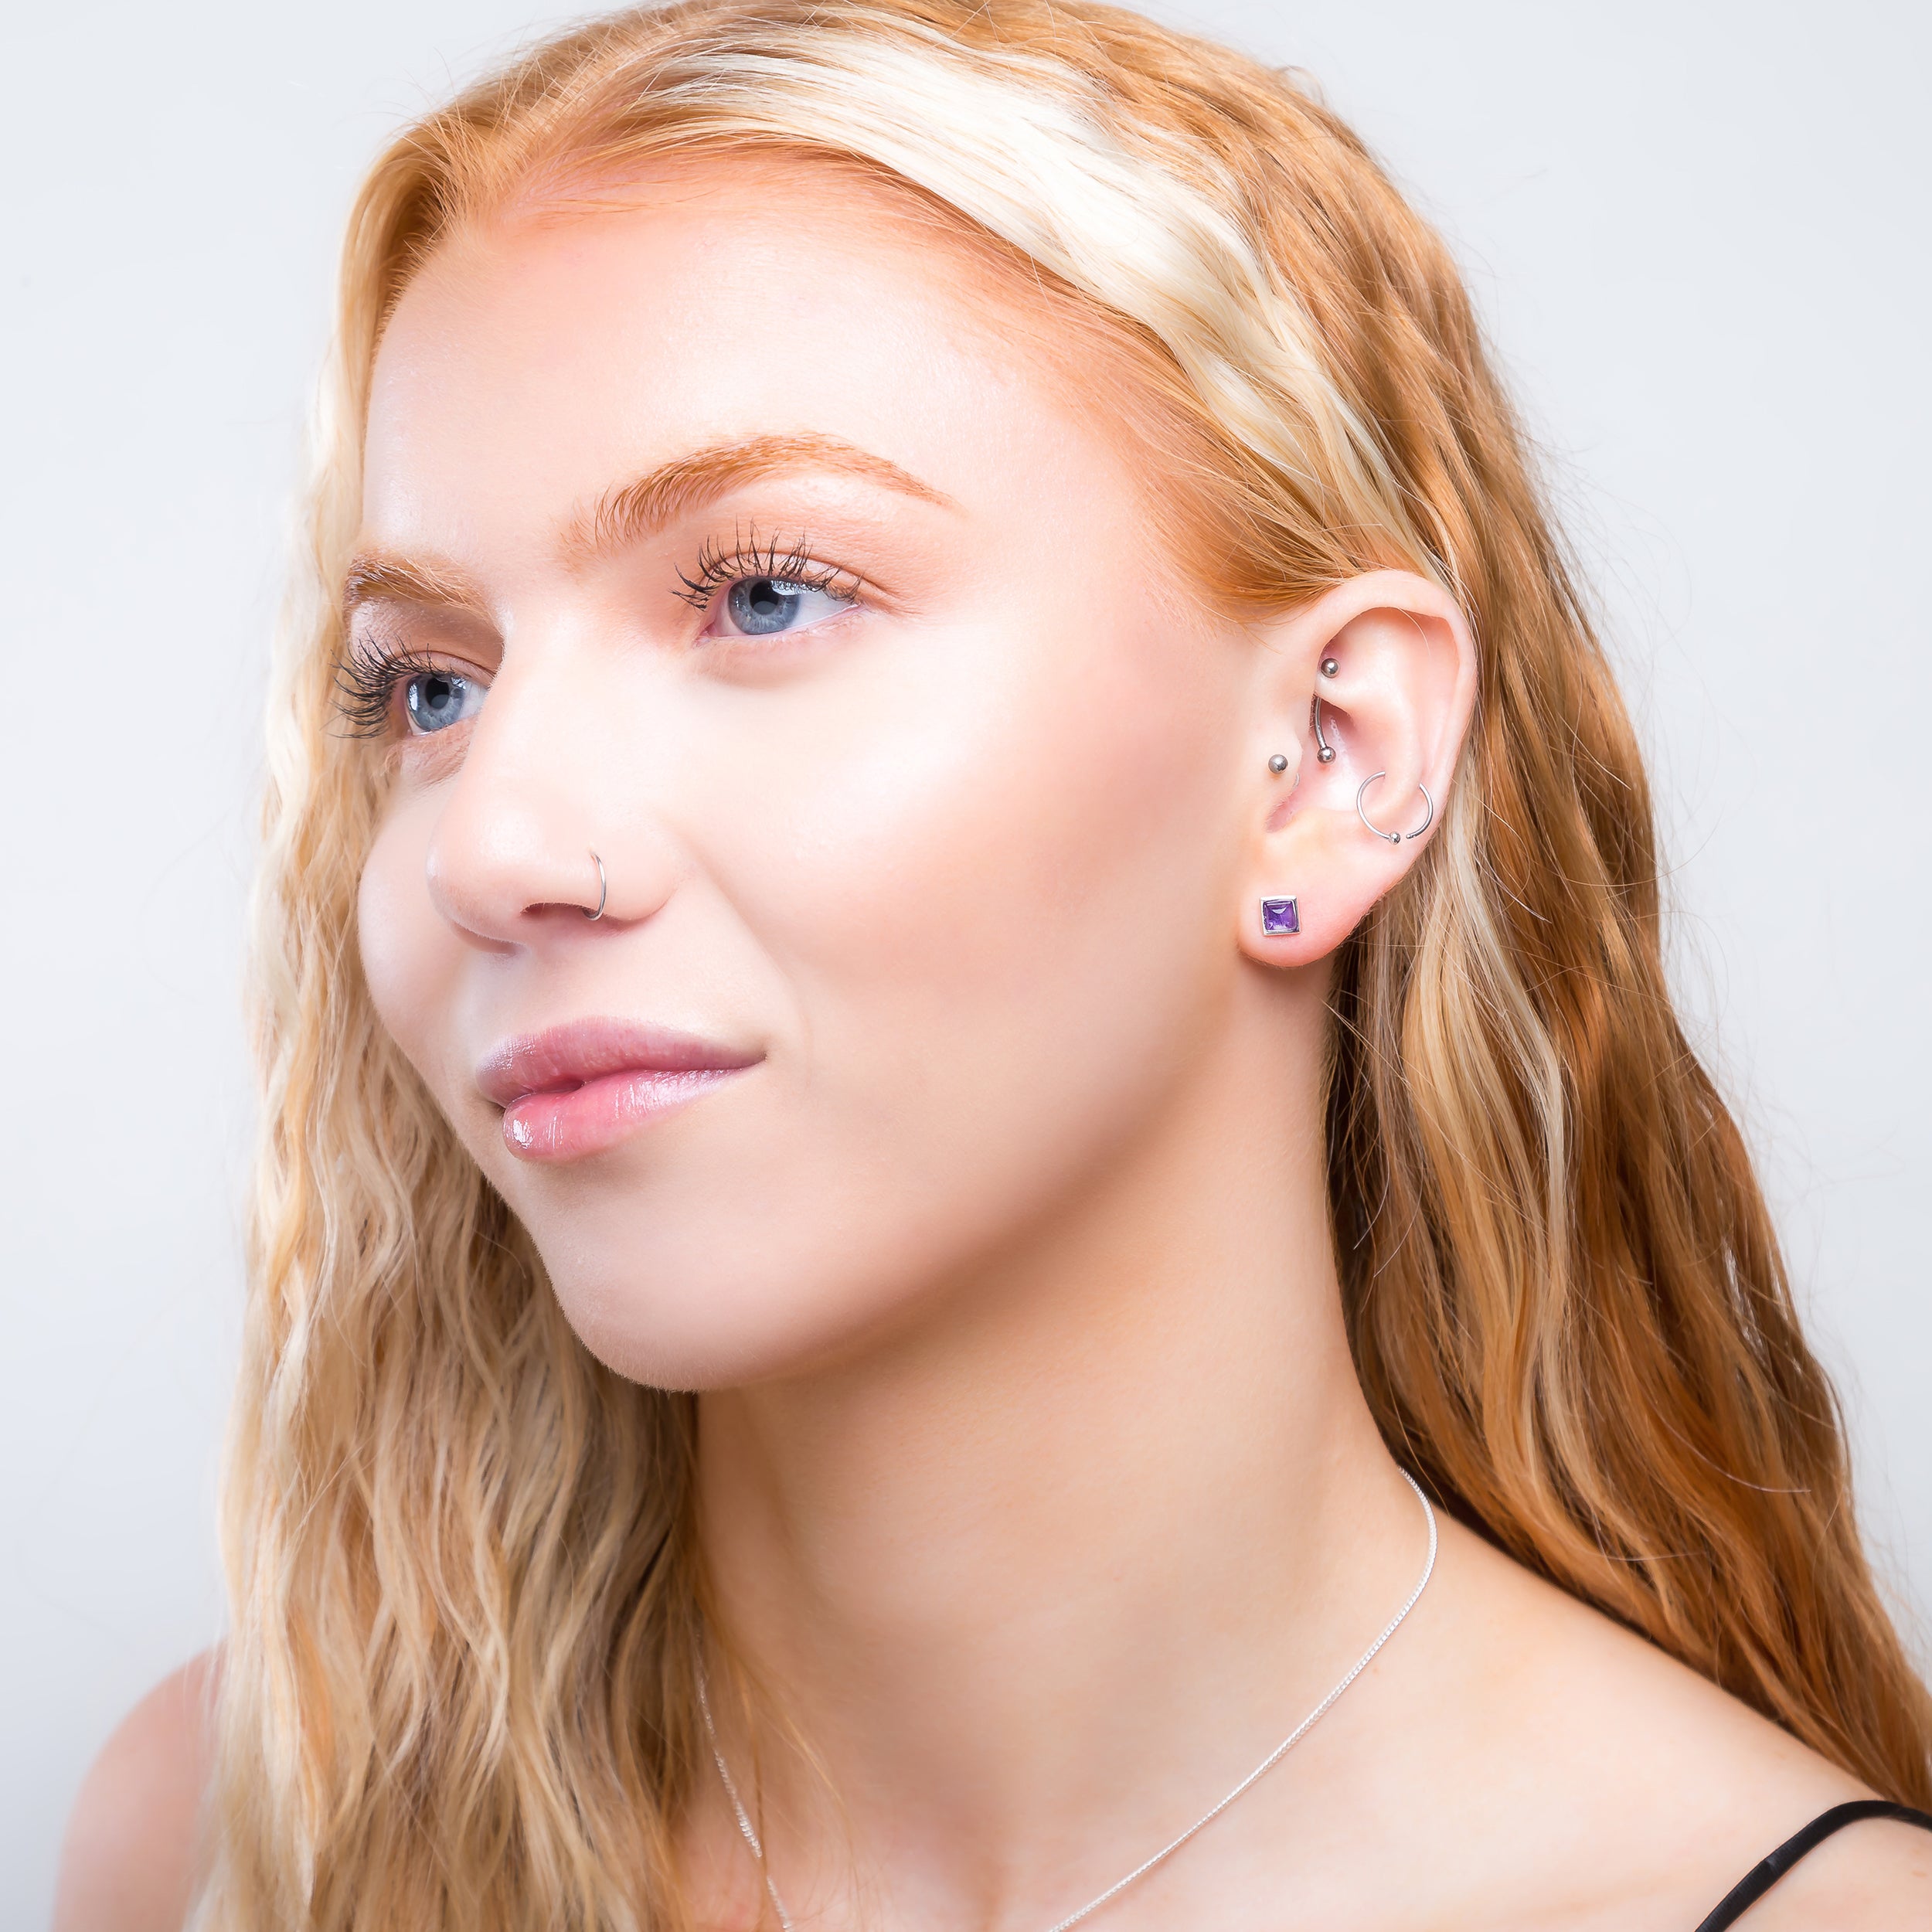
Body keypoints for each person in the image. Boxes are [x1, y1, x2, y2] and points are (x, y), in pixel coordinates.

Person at [53, 2, 1932, 1927]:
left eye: (764, 593)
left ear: (1326, 761)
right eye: (429, 687)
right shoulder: (232, 1842)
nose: (489, 848)